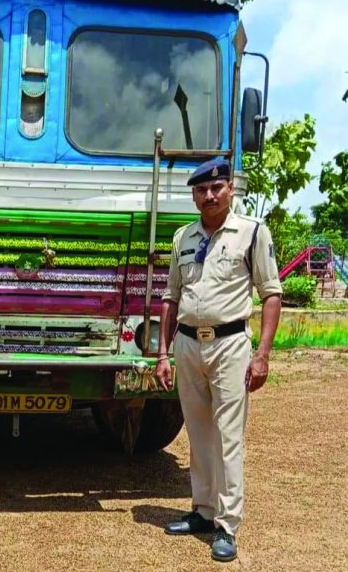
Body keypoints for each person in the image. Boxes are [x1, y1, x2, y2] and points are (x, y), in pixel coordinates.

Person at [155, 158, 282, 563]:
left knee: (228, 436)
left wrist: (261, 355)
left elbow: (271, 293)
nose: (209, 196)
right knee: (198, 433)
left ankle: (227, 525)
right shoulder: (183, 238)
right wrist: (162, 353)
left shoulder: (251, 233)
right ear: (193, 194)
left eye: (217, 188)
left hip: (230, 345)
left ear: (231, 190)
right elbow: (170, 298)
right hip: (187, 345)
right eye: (201, 190)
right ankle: (203, 510)